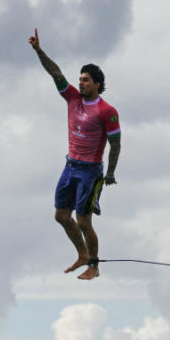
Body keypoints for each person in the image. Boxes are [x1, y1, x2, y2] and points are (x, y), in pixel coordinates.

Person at [28, 28, 121, 280]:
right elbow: (55, 72)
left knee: (83, 220)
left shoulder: (107, 111)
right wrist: (38, 50)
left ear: (97, 85)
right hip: (70, 166)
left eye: (86, 80)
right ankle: (81, 254)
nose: (80, 83)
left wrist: (110, 172)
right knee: (61, 215)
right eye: (80, 79)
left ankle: (94, 265)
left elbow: (115, 143)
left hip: (90, 172)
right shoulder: (72, 99)